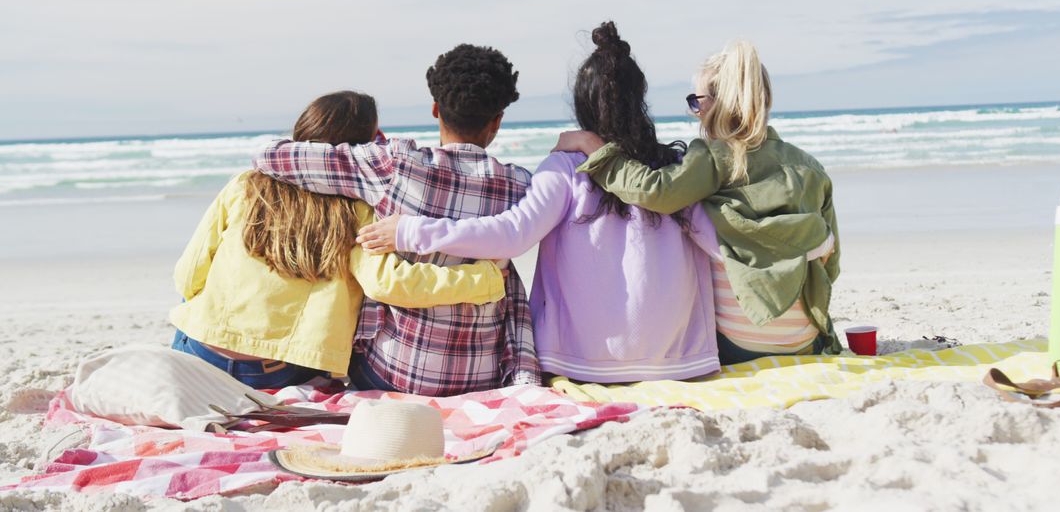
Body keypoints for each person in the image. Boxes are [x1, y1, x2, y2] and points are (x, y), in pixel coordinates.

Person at [355, 22, 722, 382]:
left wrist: (410, 231)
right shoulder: (675, 171)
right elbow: (720, 245)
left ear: (583, 104)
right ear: (639, 99)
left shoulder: (566, 167)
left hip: (583, 362)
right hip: (679, 358)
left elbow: (513, 234)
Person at [251, 46, 542, 396]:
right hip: (479, 380)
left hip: (391, 376)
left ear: (436, 109)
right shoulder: (520, 186)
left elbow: (269, 155)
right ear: (497, 120)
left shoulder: (394, 164)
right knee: (506, 276)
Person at [171, 91, 507, 389]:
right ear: (366, 147)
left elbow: (188, 277)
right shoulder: (358, 208)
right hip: (278, 370)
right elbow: (388, 284)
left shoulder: (245, 185)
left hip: (200, 351)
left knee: (193, 302)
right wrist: (485, 279)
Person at [556, 41, 842, 363]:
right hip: (805, 339)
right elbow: (831, 263)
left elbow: (656, 192)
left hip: (737, 344)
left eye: (696, 101)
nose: (695, 111)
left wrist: (598, 151)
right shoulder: (810, 167)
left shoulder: (714, 157)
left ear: (719, 104)